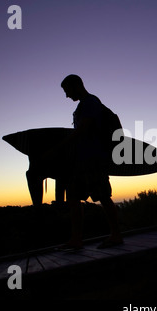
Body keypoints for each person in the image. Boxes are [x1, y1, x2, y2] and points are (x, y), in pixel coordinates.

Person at [52, 74, 123, 250]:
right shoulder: (82, 106)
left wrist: (59, 147)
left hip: (94, 159)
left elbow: (82, 131)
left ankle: (116, 235)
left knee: (103, 196)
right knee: (74, 197)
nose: (66, 96)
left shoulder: (91, 103)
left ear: (77, 85)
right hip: (81, 161)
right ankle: (76, 240)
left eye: (67, 90)